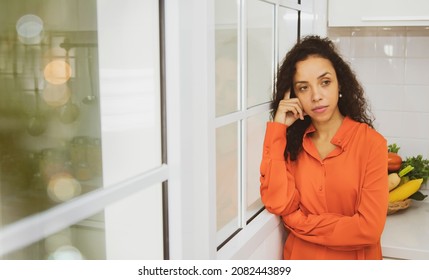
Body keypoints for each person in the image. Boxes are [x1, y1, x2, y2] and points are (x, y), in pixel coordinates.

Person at [259, 35, 388, 260]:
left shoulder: (372, 144)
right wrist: (277, 129)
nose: (316, 96)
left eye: (325, 82)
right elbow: (277, 202)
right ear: (293, 95)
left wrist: (299, 222)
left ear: (340, 84)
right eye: (303, 87)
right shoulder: (291, 144)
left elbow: (368, 229)